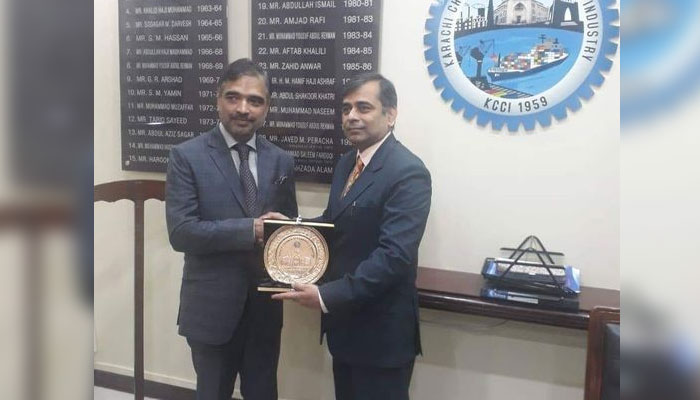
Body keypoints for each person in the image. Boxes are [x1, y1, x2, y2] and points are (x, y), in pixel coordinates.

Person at [273, 73, 432, 400]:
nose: (351, 116)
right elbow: (334, 224)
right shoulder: (348, 163)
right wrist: (290, 228)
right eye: (346, 109)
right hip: (345, 330)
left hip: (381, 337)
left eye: (363, 107)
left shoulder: (408, 172)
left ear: (390, 114)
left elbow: (394, 257)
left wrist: (326, 296)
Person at [166, 58, 297, 400]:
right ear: (218, 99)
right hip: (211, 310)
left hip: (265, 310)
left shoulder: (281, 160)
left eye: (255, 100)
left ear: (267, 107)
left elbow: (287, 233)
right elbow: (182, 232)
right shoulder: (186, 156)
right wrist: (251, 230)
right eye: (233, 97)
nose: (243, 108)